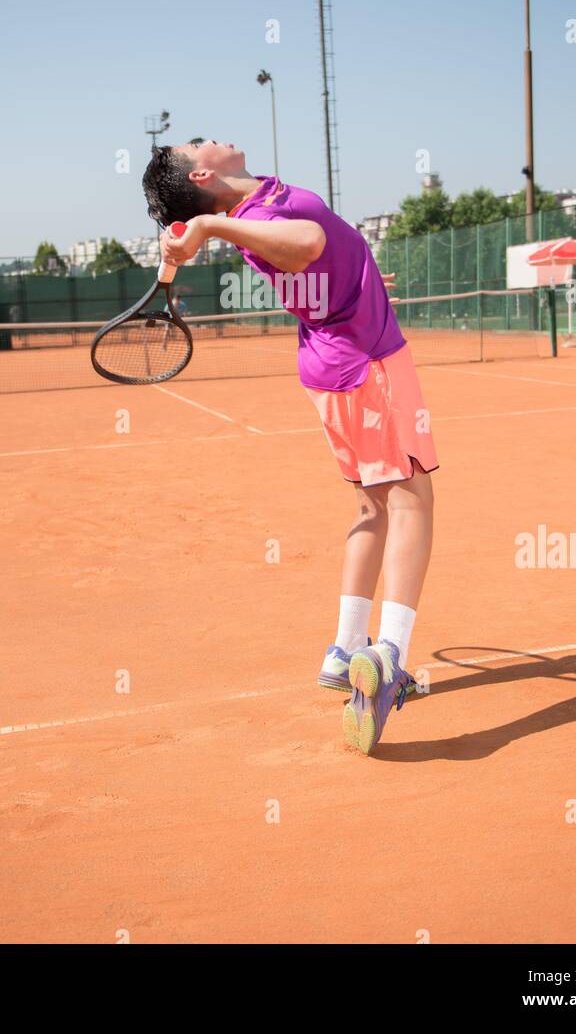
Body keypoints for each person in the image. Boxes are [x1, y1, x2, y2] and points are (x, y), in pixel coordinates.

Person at [142, 140, 438, 755]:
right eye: (197, 143)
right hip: (366, 359)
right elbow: (307, 245)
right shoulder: (252, 221)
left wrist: (189, 238)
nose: (211, 136)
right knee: (412, 501)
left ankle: (344, 649)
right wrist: (208, 224)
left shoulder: (254, 205)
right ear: (202, 173)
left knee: (372, 508)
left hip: (333, 361)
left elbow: (302, 249)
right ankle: (388, 661)